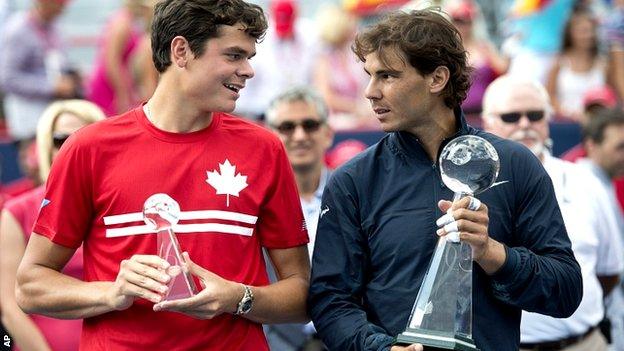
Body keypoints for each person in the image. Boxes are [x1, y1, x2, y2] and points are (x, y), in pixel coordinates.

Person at [15, 1, 310, 350]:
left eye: (249, 57)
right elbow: (30, 286)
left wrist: (238, 298)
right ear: (181, 51)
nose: (248, 70)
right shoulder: (89, 148)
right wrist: (113, 292)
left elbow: (302, 294)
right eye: (233, 55)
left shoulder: (264, 148)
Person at [308, 8, 582, 351]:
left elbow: (566, 292)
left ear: (437, 79)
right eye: (369, 75)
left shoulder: (515, 164)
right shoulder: (353, 180)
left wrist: (491, 252)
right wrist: (380, 348)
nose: (370, 91)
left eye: (388, 76)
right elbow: (329, 301)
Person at [481, 75, 623, 351]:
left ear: (548, 120)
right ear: (487, 123)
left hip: (583, 343)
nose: (525, 125)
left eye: (535, 115)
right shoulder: (467, 187)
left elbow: (609, 272)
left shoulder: (585, 181)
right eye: (511, 117)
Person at [0, 99, 105, 351]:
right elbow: (9, 305)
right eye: (61, 139)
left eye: (83, 134)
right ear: (47, 146)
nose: (72, 145)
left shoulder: (120, 208)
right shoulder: (18, 211)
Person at [264, 86, 333, 350]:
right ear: (270, 136)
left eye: (310, 125)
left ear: (328, 133)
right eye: (287, 127)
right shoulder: (254, 202)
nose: (300, 135)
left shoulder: (355, 195)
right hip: (276, 342)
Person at [576, 108, 624, 350]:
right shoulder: (587, 187)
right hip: (597, 320)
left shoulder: (602, 183)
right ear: (592, 145)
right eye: (620, 147)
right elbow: (608, 272)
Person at [0, 0, 80, 141]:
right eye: (59, 4)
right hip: (28, 116)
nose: (63, 9)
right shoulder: (18, 30)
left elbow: (57, 62)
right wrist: (51, 87)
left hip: (51, 112)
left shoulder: (54, 27)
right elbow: (7, 78)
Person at [86, 0, 156, 117]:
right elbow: (111, 61)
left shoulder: (129, 21)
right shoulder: (122, 23)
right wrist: (122, 92)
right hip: (110, 84)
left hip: (117, 81)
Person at [545, 7, 607, 121]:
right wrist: (567, 113)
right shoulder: (558, 63)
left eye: (591, 30)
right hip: (566, 124)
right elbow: (550, 96)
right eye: (583, 31)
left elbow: (610, 96)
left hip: (596, 124)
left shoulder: (602, 64)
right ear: (570, 33)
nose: (588, 35)